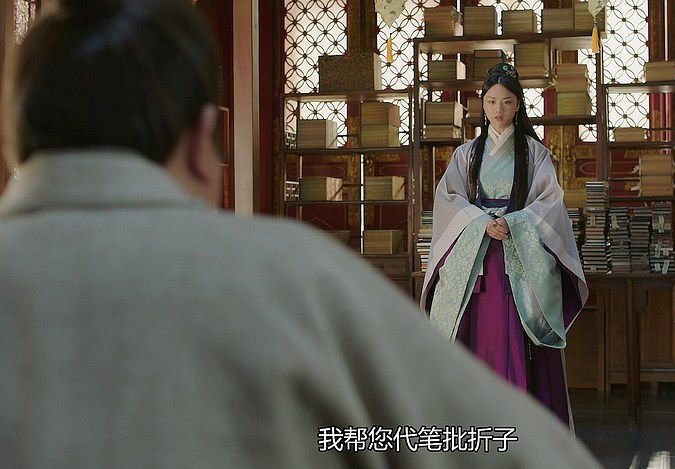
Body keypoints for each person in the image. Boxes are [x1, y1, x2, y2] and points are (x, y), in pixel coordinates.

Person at [0, 1, 603, 467]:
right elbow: (486, 444)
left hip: (504, 255)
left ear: (13, 138)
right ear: (206, 143)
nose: (498, 110)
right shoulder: (293, 279)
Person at [420, 63, 589, 430]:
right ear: (482, 104)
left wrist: (513, 222)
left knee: (516, 342)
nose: (499, 110)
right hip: (475, 264)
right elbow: (448, 199)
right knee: (472, 342)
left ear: (518, 106)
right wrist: (481, 222)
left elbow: (549, 203)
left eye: (507, 102)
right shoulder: (466, 154)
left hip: (518, 264)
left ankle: (521, 432)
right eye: (492, 101)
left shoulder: (534, 154)